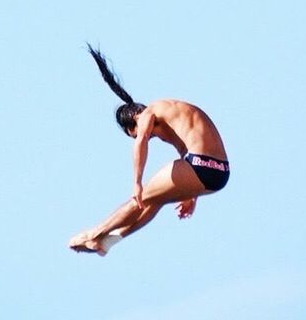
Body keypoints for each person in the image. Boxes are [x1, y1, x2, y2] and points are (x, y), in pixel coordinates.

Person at [69, 45, 230, 256]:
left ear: (133, 121)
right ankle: (108, 243)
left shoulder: (149, 112)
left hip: (201, 166)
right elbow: (196, 145)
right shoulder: (174, 115)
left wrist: (137, 182)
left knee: (141, 197)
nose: (150, 136)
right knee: (156, 200)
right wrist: (193, 195)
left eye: (133, 133)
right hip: (220, 174)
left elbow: (141, 142)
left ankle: (95, 235)